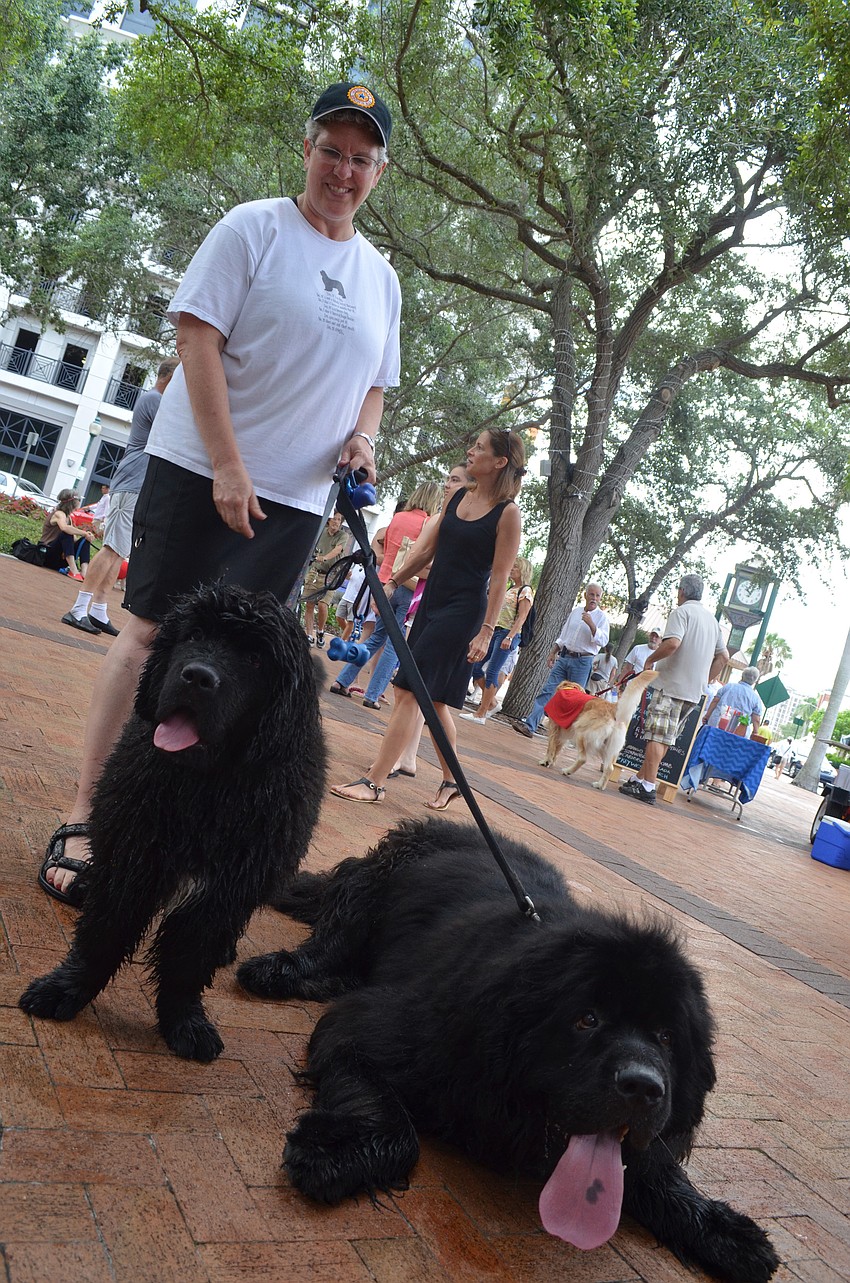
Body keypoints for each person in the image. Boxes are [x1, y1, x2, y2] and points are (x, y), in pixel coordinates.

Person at [40, 81, 401, 906]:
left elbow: (375, 384)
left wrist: (364, 437)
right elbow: (197, 340)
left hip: (297, 505)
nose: (342, 170)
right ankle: (88, 815)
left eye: (361, 158)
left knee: (233, 669)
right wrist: (229, 462)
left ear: (378, 171)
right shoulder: (253, 228)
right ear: (305, 151)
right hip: (201, 471)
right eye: (330, 151)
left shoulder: (381, 278)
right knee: (149, 635)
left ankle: (166, 829)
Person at [330, 429, 524, 807]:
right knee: (432, 700)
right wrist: (392, 581)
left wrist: (486, 630)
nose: (470, 451)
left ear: (500, 462)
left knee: (410, 690)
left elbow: (500, 578)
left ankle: (374, 781)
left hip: (464, 611)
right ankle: (453, 781)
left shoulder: (508, 513)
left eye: (480, 448)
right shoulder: (456, 498)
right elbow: (426, 553)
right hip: (431, 602)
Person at [61, 358, 179, 636]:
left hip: (138, 485)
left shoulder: (156, 399)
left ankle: (99, 610)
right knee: (112, 548)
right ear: (168, 377)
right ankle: (78, 608)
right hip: (131, 484)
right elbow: (175, 429)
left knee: (119, 551)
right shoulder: (154, 399)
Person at [328, 480, 443, 707]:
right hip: (409, 587)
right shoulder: (429, 524)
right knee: (395, 644)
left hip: (383, 585)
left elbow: (387, 549)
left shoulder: (398, 518)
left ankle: (342, 680)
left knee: (375, 638)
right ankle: (372, 696)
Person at [619, 573, 729, 805]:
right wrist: (706, 679)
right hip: (694, 692)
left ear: (682, 591)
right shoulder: (712, 621)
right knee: (666, 739)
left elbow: (672, 643)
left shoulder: (681, 613)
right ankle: (640, 778)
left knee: (656, 737)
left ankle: (648, 786)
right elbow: (723, 657)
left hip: (670, 686)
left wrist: (650, 661)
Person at [513, 583, 609, 738]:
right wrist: (553, 652)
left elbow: (603, 641)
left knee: (574, 700)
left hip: (583, 662)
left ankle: (565, 735)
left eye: (597, 596)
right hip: (564, 657)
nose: (594, 598)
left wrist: (591, 624)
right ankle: (530, 725)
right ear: (585, 595)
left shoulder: (601, 618)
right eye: (591, 594)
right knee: (548, 691)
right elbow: (564, 636)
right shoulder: (576, 612)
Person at [461, 556, 534, 724]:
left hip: (507, 633)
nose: (512, 568)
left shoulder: (525, 591)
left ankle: (481, 713)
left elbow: (522, 617)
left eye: (516, 566)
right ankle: (492, 703)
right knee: (477, 667)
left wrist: (510, 636)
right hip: (496, 631)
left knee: (493, 671)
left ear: (523, 570)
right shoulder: (511, 589)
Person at [301, 511, 346, 647]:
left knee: (322, 604)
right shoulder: (321, 531)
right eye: (334, 519)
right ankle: (309, 634)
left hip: (331, 575)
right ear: (329, 520)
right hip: (315, 572)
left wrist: (325, 557)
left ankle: (320, 631)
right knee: (309, 604)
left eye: (339, 520)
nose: (336, 522)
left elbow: (338, 549)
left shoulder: (343, 536)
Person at [39, 490, 98, 579]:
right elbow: (64, 528)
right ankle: (73, 570)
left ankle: (84, 572)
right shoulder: (59, 514)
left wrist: (86, 536)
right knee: (66, 533)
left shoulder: (68, 517)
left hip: (60, 557)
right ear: (73, 503)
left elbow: (72, 540)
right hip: (47, 554)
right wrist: (84, 533)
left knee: (84, 539)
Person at [703, 666, 764, 735]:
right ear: (754, 681)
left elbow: (715, 701)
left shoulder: (728, 686)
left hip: (716, 726)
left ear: (742, 676)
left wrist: (707, 716)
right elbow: (756, 719)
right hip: (738, 732)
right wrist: (755, 732)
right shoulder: (756, 698)